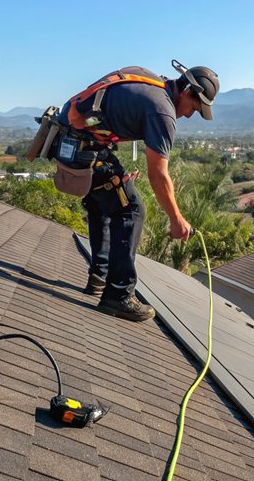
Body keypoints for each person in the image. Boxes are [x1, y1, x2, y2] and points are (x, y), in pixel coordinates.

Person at [58, 62, 219, 322]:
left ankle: (100, 277)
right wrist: (176, 219)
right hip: (82, 148)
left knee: (107, 200)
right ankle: (119, 294)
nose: (190, 115)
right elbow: (158, 175)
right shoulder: (163, 111)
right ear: (186, 91)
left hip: (71, 142)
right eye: (194, 107)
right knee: (132, 210)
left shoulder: (153, 84)